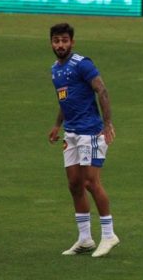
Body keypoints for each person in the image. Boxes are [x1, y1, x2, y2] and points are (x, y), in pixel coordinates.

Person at [48, 23, 119, 258]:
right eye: (56, 41)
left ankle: (108, 235)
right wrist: (58, 125)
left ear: (72, 42)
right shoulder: (55, 70)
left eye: (64, 40)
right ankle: (85, 238)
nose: (60, 45)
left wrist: (107, 124)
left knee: (91, 182)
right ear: (51, 43)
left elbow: (102, 90)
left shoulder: (82, 64)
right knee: (74, 184)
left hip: (91, 132)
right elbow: (64, 100)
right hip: (71, 133)